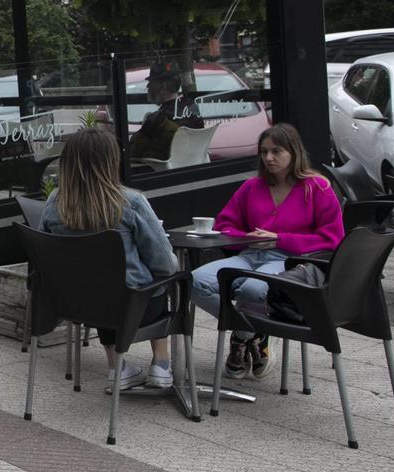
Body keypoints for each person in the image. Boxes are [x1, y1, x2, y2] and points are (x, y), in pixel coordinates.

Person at [190, 123, 344, 380]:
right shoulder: (252, 186)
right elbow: (225, 226)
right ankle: (254, 333)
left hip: (289, 261)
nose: (268, 158)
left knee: (254, 289)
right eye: (263, 151)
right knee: (194, 281)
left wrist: (280, 239)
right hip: (249, 255)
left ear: (293, 152)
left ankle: (241, 338)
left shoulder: (317, 188)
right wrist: (246, 238)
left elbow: (332, 239)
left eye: (276, 151)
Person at [39, 128, 180, 389]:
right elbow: (166, 265)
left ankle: (118, 367)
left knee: (98, 282)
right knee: (154, 281)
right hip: (135, 310)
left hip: (79, 308)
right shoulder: (131, 202)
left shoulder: (53, 203)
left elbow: (45, 257)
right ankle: (161, 363)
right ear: (110, 161)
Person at [130, 61, 204, 161]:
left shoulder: (158, 119)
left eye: (151, 82)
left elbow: (134, 150)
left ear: (162, 86)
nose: (148, 86)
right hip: (192, 166)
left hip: (164, 171)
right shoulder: (193, 106)